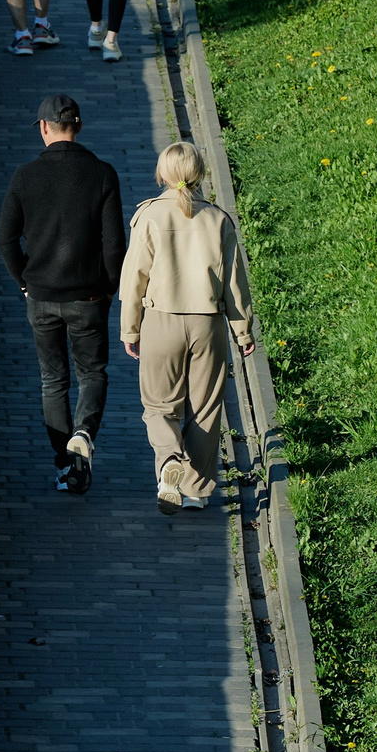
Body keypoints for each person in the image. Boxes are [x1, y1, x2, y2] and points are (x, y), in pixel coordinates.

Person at [118, 142, 258, 513]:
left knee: (159, 406)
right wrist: (242, 331)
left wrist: (130, 329)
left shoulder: (148, 216)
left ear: (162, 174)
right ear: (199, 175)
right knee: (207, 408)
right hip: (207, 324)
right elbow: (234, 284)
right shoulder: (218, 219)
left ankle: (168, 462)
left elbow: (134, 278)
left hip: (161, 321)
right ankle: (196, 491)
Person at [0, 93, 125, 493]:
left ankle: (65, 466)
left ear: (44, 128)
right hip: (88, 298)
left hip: (40, 297)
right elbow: (114, 246)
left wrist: (24, 281)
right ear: (79, 127)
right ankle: (84, 434)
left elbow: (5, 240)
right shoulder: (103, 174)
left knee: (52, 380)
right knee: (92, 373)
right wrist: (109, 289)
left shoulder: (24, 175)